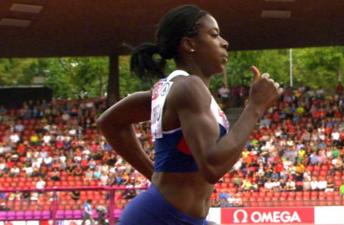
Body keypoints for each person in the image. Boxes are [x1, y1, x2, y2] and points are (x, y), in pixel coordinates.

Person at [97, 4, 281, 225]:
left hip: (176, 216)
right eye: (214, 35)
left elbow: (110, 122)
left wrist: (153, 173)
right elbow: (212, 167)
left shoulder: (172, 90)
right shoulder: (188, 88)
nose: (224, 42)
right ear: (189, 44)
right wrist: (255, 107)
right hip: (160, 218)